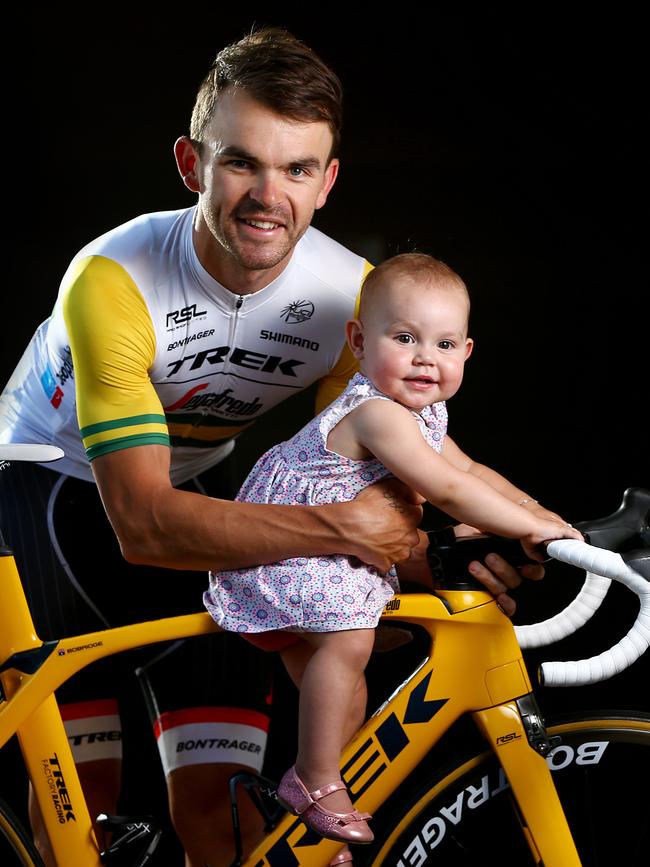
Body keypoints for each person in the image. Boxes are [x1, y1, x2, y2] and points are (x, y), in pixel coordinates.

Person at [0, 29, 544, 867]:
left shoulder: (352, 299)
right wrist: (349, 530)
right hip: (53, 492)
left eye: (296, 169)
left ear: (327, 182)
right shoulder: (113, 280)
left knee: (228, 819)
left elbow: (386, 479)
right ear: (191, 164)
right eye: (241, 162)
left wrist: (460, 548)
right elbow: (144, 524)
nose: (268, 195)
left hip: (203, 480)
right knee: (87, 814)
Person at [204, 253, 583, 859]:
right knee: (350, 641)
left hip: (334, 558)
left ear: (466, 353)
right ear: (359, 341)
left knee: (346, 688)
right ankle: (311, 781)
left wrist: (543, 518)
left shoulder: (425, 413)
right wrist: (526, 528)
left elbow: (473, 470)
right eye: (404, 338)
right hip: (288, 550)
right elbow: (450, 490)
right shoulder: (377, 413)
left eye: (444, 343)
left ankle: (315, 829)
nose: (424, 357)